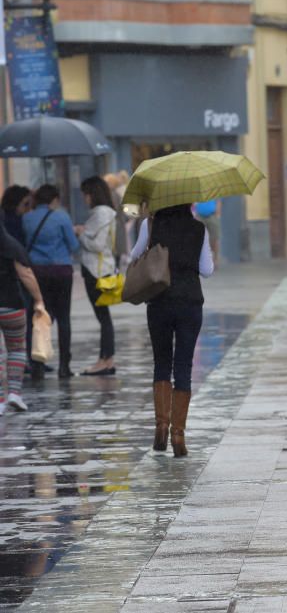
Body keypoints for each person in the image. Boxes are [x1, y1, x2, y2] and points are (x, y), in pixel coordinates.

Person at [131, 203, 214, 457]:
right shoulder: (199, 228)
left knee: (162, 363)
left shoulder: (150, 225)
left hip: (159, 302)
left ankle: (161, 427)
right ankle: (178, 435)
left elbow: (134, 256)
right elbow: (207, 270)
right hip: (190, 302)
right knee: (184, 366)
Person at [23, 185, 79, 379]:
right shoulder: (62, 217)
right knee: (63, 318)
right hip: (61, 272)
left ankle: (37, 364)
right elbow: (73, 245)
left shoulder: (27, 218)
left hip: (37, 273)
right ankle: (64, 365)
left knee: (38, 317)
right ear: (54, 199)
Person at [74, 176, 118, 376]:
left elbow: (96, 245)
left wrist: (80, 233)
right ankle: (107, 359)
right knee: (104, 318)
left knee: (103, 318)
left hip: (96, 272)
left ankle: (105, 360)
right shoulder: (108, 213)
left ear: (92, 194)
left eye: (86, 194)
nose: (84, 198)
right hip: (103, 270)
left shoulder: (100, 214)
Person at [0, 223, 45, 415]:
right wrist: (39, 300)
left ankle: (0, 399)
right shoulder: (11, 245)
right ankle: (15, 394)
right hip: (12, 304)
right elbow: (26, 274)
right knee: (17, 348)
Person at [194, 200, 221, 265]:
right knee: (198, 238)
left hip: (212, 215)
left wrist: (218, 211)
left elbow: (218, 200)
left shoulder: (213, 190)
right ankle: (199, 259)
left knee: (215, 238)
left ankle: (215, 259)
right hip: (200, 215)